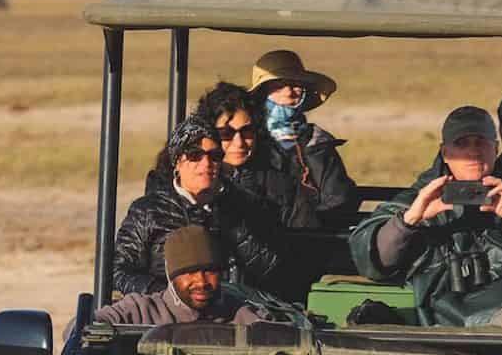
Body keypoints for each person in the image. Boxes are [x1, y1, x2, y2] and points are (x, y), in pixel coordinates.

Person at [349, 105, 502, 334]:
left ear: (495, 149)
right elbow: (373, 261)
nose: (473, 151)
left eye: (481, 142)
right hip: (455, 312)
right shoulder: (422, 198)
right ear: (445, 153)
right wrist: (410, 220)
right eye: (462, 143)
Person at [111, 117, 289, 299]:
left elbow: (270, 270)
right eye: (195, 155)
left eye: (214, 156)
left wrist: (233, 221)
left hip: (231, 311)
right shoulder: (148, 211)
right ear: (178, 161)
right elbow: (119, 271)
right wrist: (164, 295)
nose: (206, 163)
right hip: (165, 316)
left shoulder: (243, 204)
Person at [193, 80, 327, 303]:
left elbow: (306, 256)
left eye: (247, 131)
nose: (239, 142)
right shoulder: (186, 182)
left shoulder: (283, 187)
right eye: (226, 133)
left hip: (268, 304)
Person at [248, 49, 359, 230]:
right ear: (262, 93)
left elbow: (339, 199)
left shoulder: (319, 143)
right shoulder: (246, 143)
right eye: (279, 85)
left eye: (295, 85)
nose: (289, 92)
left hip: (316, 240)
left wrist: (308, 225)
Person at [94, 225, 265, 326]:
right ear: (171, 275)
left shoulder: (239, 314)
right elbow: (80, 328)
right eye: (189, 272)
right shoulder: (141, 310)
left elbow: (281, 333)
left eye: (210, 271)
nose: (201, 281)